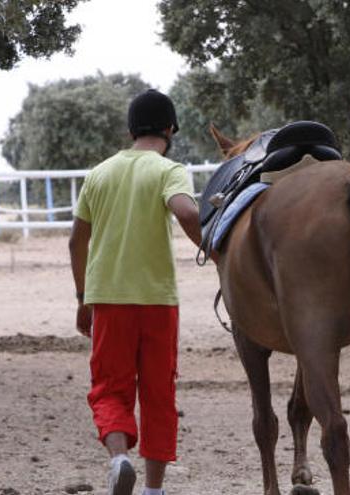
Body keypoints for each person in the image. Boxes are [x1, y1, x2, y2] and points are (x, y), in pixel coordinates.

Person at [68, 89, 201, 495]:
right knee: (159, 394)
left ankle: (120, 458)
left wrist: (83, 299)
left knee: (110, 388)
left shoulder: (99, 174)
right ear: (170, 128)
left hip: (108, 299)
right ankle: (153, 490)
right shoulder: (168, 170)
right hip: (158, 302)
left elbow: (77, 242)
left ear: (130, 130)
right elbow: (186, 212)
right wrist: (209, 247)